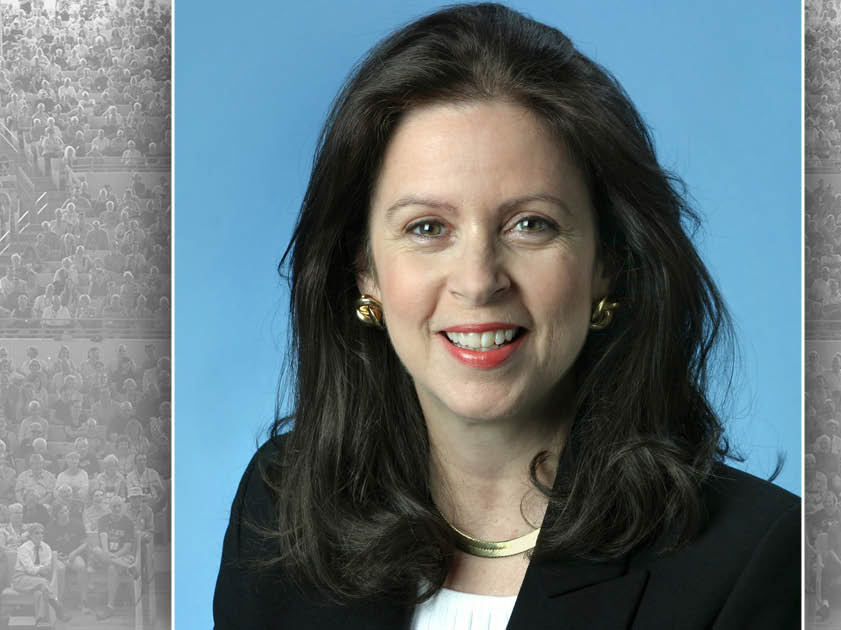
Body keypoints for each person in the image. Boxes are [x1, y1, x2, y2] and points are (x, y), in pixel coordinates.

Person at [212, 4, 798, 628]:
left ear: (608, 262)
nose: (478, 280)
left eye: (530, 224)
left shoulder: (760, 559)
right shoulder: (282, 506)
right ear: (365, 271)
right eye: (427, 227)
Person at [12, 523, 70, 623]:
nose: (40, 535)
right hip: (21, 578)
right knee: (43, 582)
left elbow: (47, 568)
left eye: (42, 533)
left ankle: (39, 619)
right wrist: (40, 569)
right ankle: (58, 607)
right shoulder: (24, 549)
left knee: (40, 593)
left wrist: (39, 569)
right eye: (36, 533)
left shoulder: (46, 547)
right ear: (30, 535)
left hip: (37, 579)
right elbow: (30, 569)